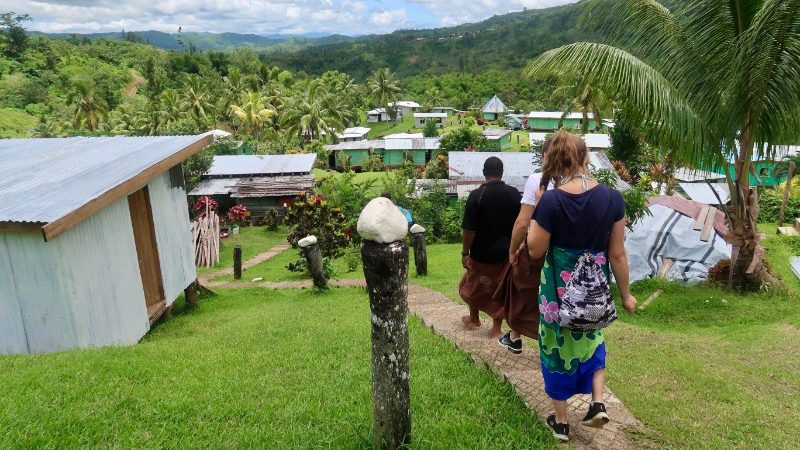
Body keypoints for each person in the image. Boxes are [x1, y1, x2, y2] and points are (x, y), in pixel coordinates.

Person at [526, 131, 637, 443]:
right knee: (592, 338)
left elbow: (535, 250)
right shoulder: (613, 199)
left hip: (557, 295)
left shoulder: (551, 200)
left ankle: (561, 423)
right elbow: (617, 252)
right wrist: (626, 295)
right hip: (593, 291)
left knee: (555, 350)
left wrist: (538, 212)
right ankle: (597, 402)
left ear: (553, 163)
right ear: (586, 158)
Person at [497, 139, 555, 354]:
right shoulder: (582, 183)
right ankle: (515, 335)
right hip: (568, 252)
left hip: (537, 248)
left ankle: (520, 335)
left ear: (544, 156)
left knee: (522, 289)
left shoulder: (538, 180)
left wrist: (513, 250)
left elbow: (523, 222)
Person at [460, 156, 521, 338]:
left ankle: (474, 318)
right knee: (498, 289)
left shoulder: (476, 196)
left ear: (484, 173)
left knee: (473, 284)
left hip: (481, 254)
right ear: (501, 173)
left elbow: (469, 230)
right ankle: (496, 328)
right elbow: (521, 224)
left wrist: (465, 253)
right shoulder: (514, 194)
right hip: (505, 253)